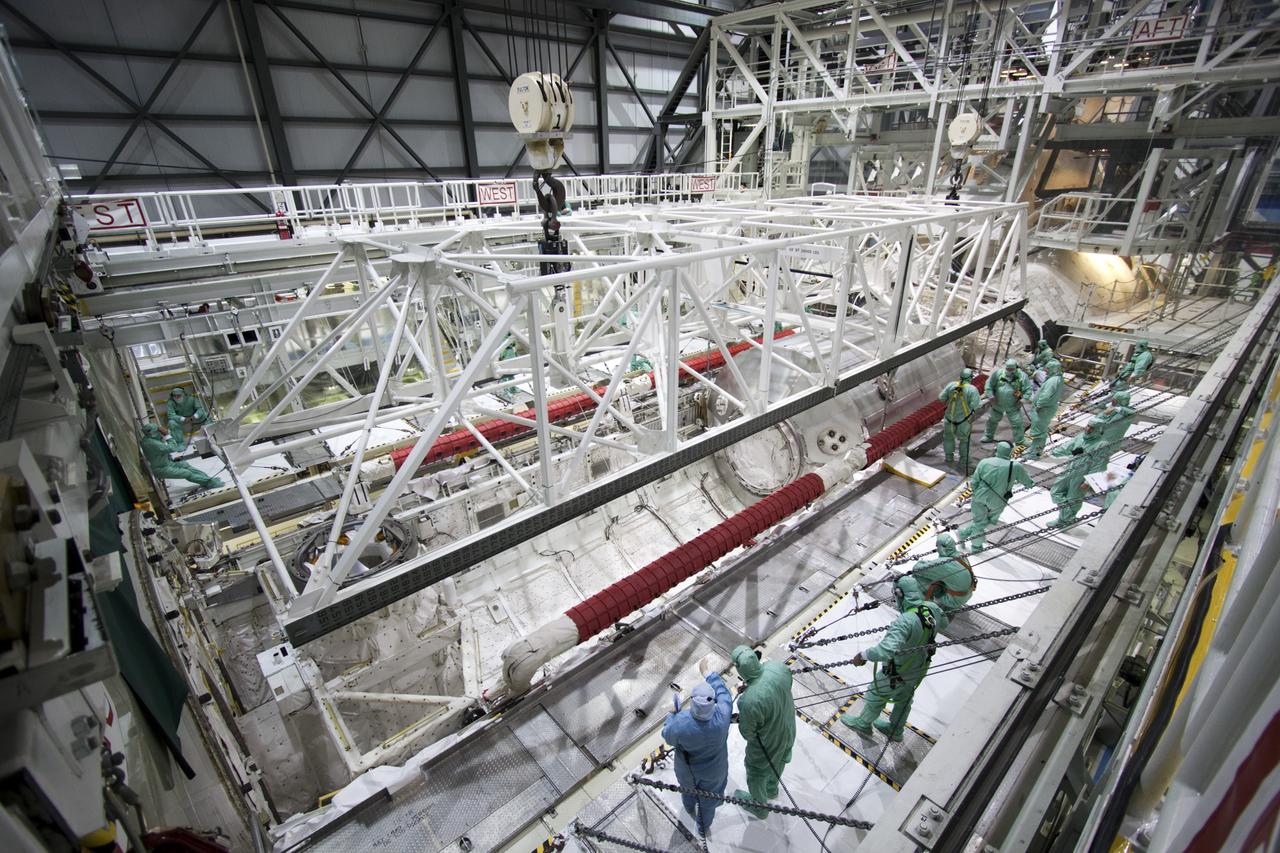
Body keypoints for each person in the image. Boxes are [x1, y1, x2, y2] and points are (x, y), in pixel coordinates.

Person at [840, 597, 946, 742]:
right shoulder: (931, 609)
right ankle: (896, 730)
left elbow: (885, 651)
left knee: (875, 695)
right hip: (917, 670)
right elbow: (944, 623)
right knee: (904, 701)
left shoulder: (905, 621)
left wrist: (863, 656)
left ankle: (863, 723)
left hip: (895, 672)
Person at [661, 659, 733, 835]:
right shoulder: (723, 715)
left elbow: (667, 736)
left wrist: (671, 716)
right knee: (709, 802)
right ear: (712, 702)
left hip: (687, 769)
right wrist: (708, 674)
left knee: (687, 790)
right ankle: (703, 827)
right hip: (714, 771)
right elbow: (724, 694)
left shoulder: (681, 722)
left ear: (692, 702)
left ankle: (688, 807)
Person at [730, 645, 796, 819]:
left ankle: (759, 806)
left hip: (769, 741)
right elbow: (787, 685)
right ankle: (771, 789)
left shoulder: (749, 701)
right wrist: (753, 686)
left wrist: (750, 693)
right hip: (789, 727)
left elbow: (748, 733)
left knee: (756, 771)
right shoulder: (777, 667)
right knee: (780, 758)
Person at [957, 441, 1033, 552]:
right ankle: (976, 546)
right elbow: (1028, 482)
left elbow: (974, 481)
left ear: (996, 449)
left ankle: (963, 534)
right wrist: (1029, 483)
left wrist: (977, 492)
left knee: (979, 521)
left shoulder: (984, 462)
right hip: (998, 501)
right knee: (984, 523)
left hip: (979, 497)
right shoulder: (1015, 466)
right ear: (1010, 452)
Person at [894, 533, 976, 616]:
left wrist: (922, 562)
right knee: (938, 576)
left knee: (920, 579)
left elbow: (918, 569)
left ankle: (917, 609)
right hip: (967, 594)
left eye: (937, 546)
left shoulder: (944, 563)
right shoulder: (960, 555)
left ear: (941, 548)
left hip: (954, 599)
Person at [1048, 423, 1106, 528]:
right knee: (1055, 492)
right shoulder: (1081, 437)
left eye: (1092, 428)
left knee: (1073, 498)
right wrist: (1052, 452)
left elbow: (1099, 465)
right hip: (1069, 469)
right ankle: (1068, 519)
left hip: (1082, 474)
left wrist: (1088, 481)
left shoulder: (1101, 445)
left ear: (1098, 430)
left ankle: (1064, 521)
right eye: (1088, 426)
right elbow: (1067, 447)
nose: (1088, 429)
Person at [141, 423, 224, 489]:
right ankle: (209, 483)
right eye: (159, 431)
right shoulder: (151, 443)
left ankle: (208, 480)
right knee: (186, 473)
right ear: (154, 433)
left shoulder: (150, 439)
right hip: (160, 469)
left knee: (184, 465)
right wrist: (167, 435)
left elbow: (159, 453)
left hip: (166, 463)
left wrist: (171, 459)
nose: (161, 432)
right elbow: (172, 448)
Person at [981, 359, 1033, 445]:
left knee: (1017, 423)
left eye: (1011, 369)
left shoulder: (1022, 376)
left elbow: (1028, 389)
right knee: (992, 420)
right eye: (1007, 369)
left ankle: (1020, 440)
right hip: (997, 404)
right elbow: (988, 385)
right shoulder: (998, 374)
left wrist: (1023, 400)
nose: (1009, 371)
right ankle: (988, 436)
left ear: (1015, 368)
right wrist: (991, 396)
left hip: (1013, 405)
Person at [939, 368, 982, 469]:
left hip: (949, 419)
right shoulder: (972, 389)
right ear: (970, 378)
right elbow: (976, 405)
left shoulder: (951, 385)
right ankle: (964, 459)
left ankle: (949, 457)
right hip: (963, 420)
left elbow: (941, 398)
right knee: (964, 440)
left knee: (948, 438)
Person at [1024, 360, 1065, 458]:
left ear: (1053, 369)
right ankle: (1034, 448)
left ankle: (1035, 453)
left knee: (1039, 432)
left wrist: (1039, 405)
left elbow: (1046, 395)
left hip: (1043, 409)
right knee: (1039, 430)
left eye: (1048, 369)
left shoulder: (1053, 381)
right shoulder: (1057, 378)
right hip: (1046, 408)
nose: (1045, 371)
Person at [166, 386, 209, 451]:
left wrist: (195, 416)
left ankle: (210, 435)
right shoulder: (170, 403)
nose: (177, 397)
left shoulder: (192, 399)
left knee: (205, 415)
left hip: (194, 420)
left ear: (183, 394)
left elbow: (200, 409)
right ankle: (180, 444)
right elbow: (171, 415)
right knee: (171, 423)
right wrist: (183, 419)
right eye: (174, 396)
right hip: (181, 423)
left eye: (179, 395)